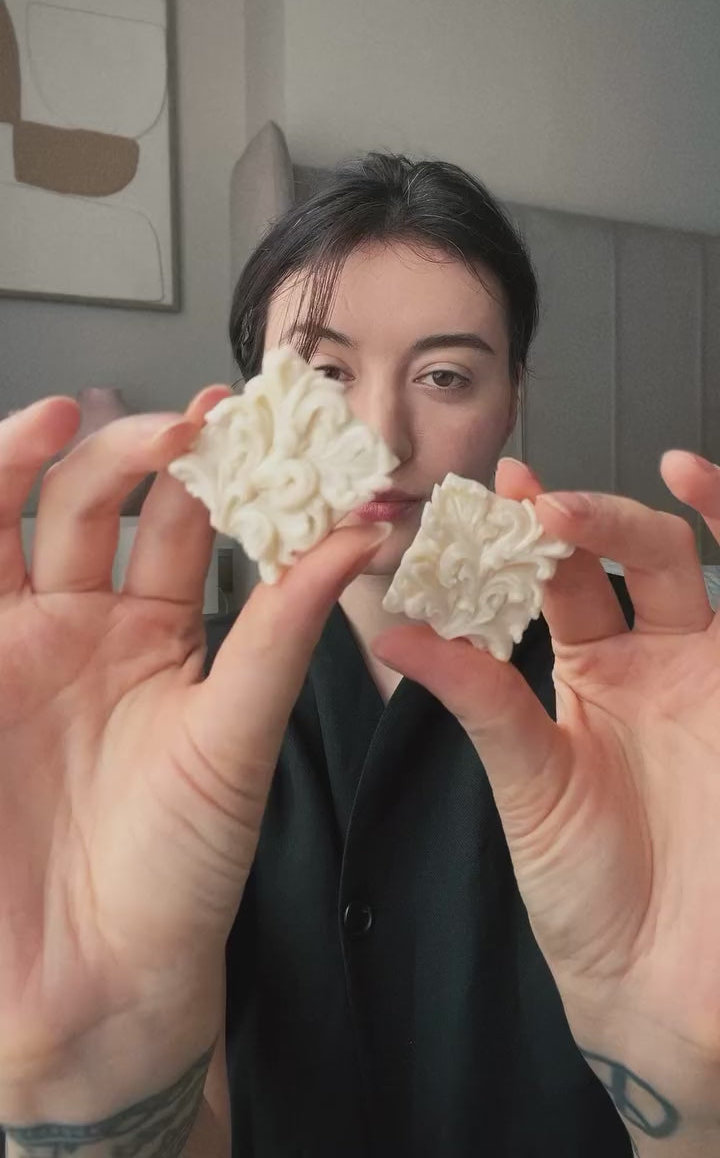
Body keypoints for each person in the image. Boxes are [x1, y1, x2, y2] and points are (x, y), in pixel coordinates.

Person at [0, 154, 718, 1158]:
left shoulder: (665, 711)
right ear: (253, 400)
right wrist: (81, 1082)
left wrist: (701, 1105)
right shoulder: (155, 719)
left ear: (512, 396)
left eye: (446, 376)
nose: (381, 438)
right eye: (324, 374)